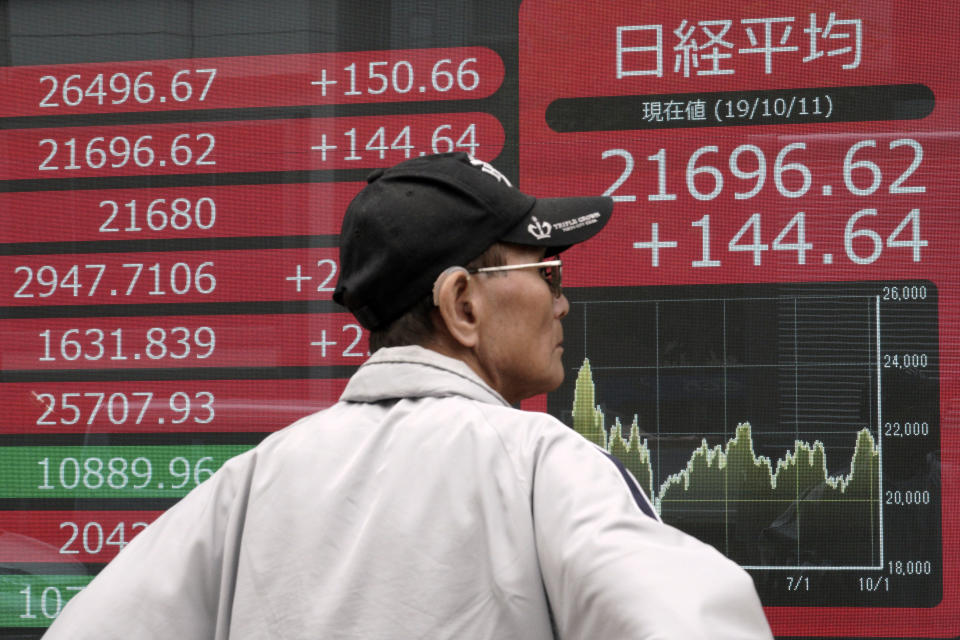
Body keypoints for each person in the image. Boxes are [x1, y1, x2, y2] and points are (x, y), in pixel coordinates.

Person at [44, 152, 773, 639]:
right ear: (461, 303)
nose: (563, 303)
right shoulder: (543, 465)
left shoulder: (252, 481)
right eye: (548, 271)